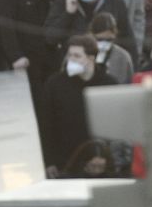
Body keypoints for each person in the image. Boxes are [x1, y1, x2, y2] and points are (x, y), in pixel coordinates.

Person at [38, 35, 112, 177]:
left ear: (91, 58)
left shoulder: (108, 84)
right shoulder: (54, 84)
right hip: (65, 163)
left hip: (100, 163)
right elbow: (46, 125)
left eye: (77, 56)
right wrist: (49, 161)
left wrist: (104, 156)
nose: (71, 59)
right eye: (69, 55)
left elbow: (116, 124)